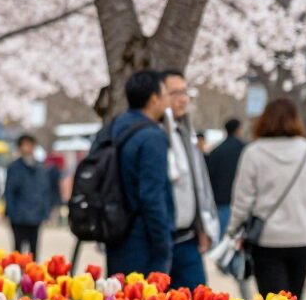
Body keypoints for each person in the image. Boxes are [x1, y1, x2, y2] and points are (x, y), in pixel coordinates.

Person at [226, 97, 306, 300]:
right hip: (304, 237)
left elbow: (243, 199)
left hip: (266, 240)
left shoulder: (253, 153)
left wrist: (233, 229)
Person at [102, 70, 175, 279]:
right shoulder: (152, 137)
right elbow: (152, 195)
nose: (167, 101)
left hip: (113, 229)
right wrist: (163, 243)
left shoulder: (113, 127)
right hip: (141, 236)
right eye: (165, 95)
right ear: (153, 100)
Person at [161, 71, 219, 289]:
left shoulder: (186, 133)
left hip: (188, 240)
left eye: (185, 92)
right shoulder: (155, 135)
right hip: (162, 241)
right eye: (175, 93)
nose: (183, 99)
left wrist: (201, 225)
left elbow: (198, 185)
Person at [2, 134, 59, 256]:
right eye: (25, 145)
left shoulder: (40, 168)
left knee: (33, 251)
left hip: (36, 215)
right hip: (18, 216)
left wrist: (46, 211)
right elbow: (9, 191)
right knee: (18, 250)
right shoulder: (14, 168)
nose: (28, 148)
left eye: (30, 145)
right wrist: (9, 211)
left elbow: (45, 190)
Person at [205, 118, 246, 243]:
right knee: (237, 241)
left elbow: (209, 177)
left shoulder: (216, 151)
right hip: (241, 202)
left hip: (221, 201)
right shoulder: (245, 150)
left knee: (222, 239)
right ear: (239, 130)